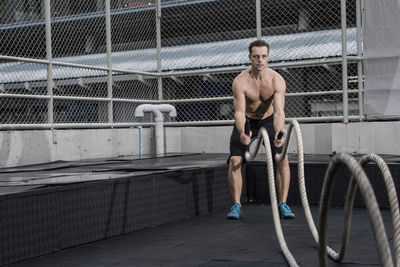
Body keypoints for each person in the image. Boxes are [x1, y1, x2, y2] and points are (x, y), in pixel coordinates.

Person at [226, 40, 295, 220]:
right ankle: (236, 205)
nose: (260, 60)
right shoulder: (240, 82)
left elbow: (279, 111)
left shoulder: (276, 80)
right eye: (256, 56)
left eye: (263, 56)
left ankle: (283, 204)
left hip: (269, 120)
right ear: (250, 57)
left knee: (282, 159)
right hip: (247, 120)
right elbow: (239, 112)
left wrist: (279, 132)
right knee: (235, 160)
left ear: (268, 57)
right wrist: (242, 132)